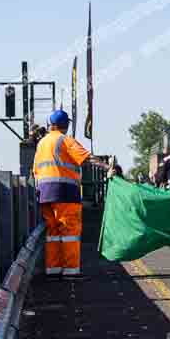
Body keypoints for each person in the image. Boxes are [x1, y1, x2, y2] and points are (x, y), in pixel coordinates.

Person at [33, 109, 108, 278]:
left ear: (50, 124)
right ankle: (70, 271)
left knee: (53, 233)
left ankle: (53, 270)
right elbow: (87, 158)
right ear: (66, 125)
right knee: (69, 231)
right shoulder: (65, 140)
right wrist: (108, 168)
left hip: (44, 193)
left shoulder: (42, 143)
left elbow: (35, 169)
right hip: (64, 192)